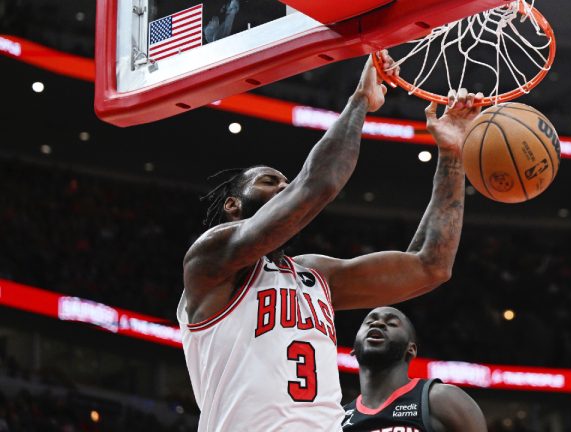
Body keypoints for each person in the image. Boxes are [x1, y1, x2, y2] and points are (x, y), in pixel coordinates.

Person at [178, 51, 483, 431]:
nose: (284, 187)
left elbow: (430, 265)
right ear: (232, 204)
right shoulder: (210, 260)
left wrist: (452, 154)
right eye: (270, 181)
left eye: (286, 182)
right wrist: (360, 101)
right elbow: (316, 185)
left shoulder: (315, 274)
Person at [343, 307, 487, 432]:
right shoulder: (339, 418)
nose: (377, 323)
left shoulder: (442, 399)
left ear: (410, 349)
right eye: (369, 323)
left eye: (392, 323)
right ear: (354, 348)